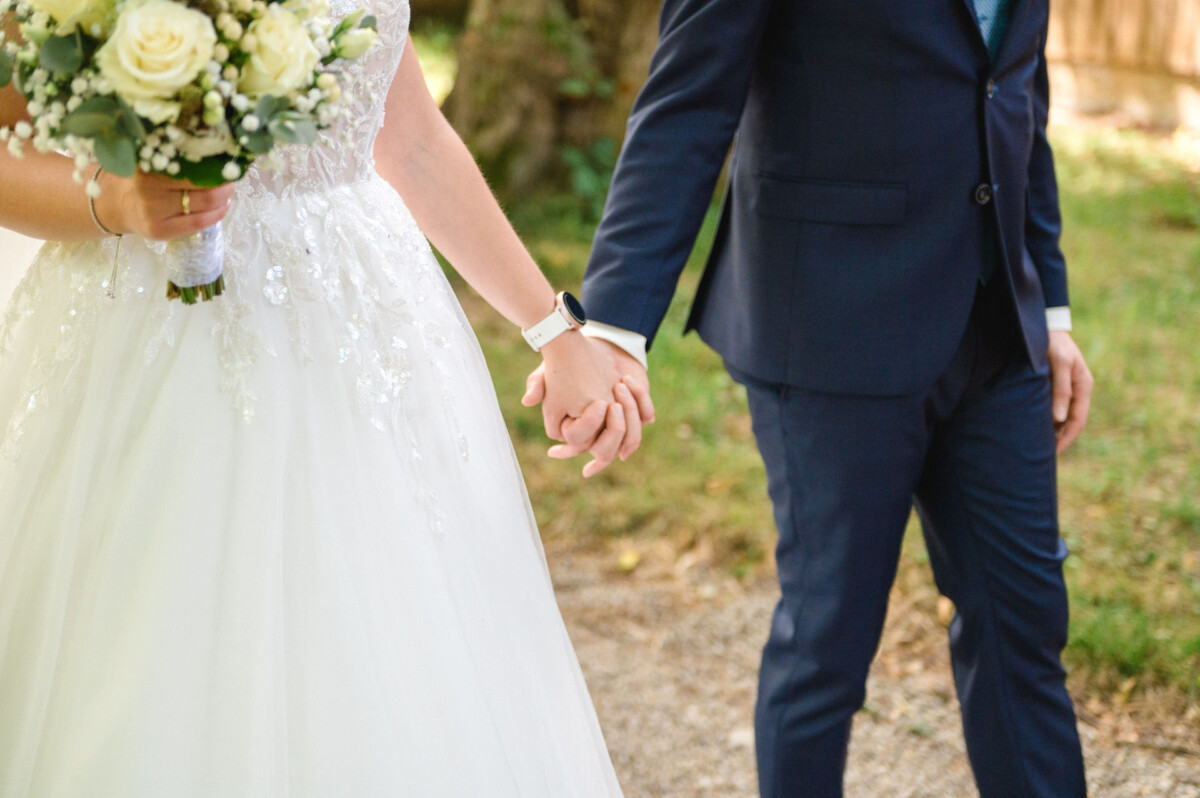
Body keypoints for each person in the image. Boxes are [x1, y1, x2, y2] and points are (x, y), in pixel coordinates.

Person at [0, 1, 634, 794]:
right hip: (141, 326)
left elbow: (411, 139)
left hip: (358, 338)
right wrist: (115, 204)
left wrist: (554, 330)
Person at [526, 0, 1095, 795]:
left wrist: (1052, 310)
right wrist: (615, 329)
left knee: (1026, 630)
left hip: (1001, 333)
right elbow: (686, 104)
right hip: (831, 324)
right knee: (827, 644)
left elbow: (1013, 89)